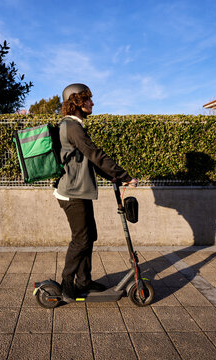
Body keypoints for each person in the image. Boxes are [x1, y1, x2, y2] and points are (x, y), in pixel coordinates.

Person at [54, 83, 138, 301]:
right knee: (81, 239)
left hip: (79, 191)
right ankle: (67, 283)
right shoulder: (72, 127)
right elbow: (95, 154)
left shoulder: (74, 126)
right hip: (72, 193)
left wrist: (112, 176)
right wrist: (124, 175)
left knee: (89, 236)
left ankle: (84, 281)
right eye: (88, 99)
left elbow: (88, 160)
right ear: (78, 102)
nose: (92, 103)